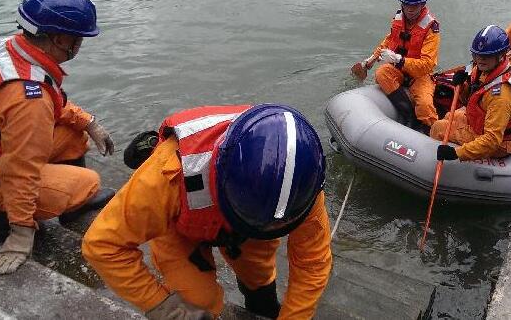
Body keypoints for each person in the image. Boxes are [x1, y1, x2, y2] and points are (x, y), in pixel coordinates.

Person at [82, 104, 332, 320]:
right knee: (200, 303)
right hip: (181, 225)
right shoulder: (165, 174)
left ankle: (260, 300)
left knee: (259, 277)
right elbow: (102, 245)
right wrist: (161, 305)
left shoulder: (302, 188)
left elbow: (312, 264)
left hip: (242, 229)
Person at [0, 0, 115, 275]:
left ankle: (52, 198)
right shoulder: (28, 99)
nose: (80, 44)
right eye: (79, 39)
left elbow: (54, 103)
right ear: (60, 39)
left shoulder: (10, 49)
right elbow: (20, 169)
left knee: (73, 134)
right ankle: (4, 217)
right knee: (88, 182)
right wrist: (21, 233)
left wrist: (88, 121)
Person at [353, 0, 440, 133]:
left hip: (420, 75)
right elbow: (389, 41)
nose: (411, 9)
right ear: (402, 4)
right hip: (399, 69)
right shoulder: (398, 19)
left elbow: (427, 64)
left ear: (422, 5)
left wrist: (397, 59)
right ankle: (407, 114)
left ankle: (431, 133)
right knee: (381, 73)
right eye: (407, 5)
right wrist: (371, 60)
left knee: (425, 106)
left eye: (415, 5)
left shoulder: (431, 28)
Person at [431, 25, 511, 161]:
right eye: (477, 55)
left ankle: (435, 162)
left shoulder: (502, 95)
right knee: (449, 115)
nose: (480, 59)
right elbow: (468, 99)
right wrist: (463, 86)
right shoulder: (483, 69)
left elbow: (492, 141)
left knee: (438, 127)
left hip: (500, 144)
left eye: (486, 56)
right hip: (480, 122)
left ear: (500, 56)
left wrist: (456, 153)